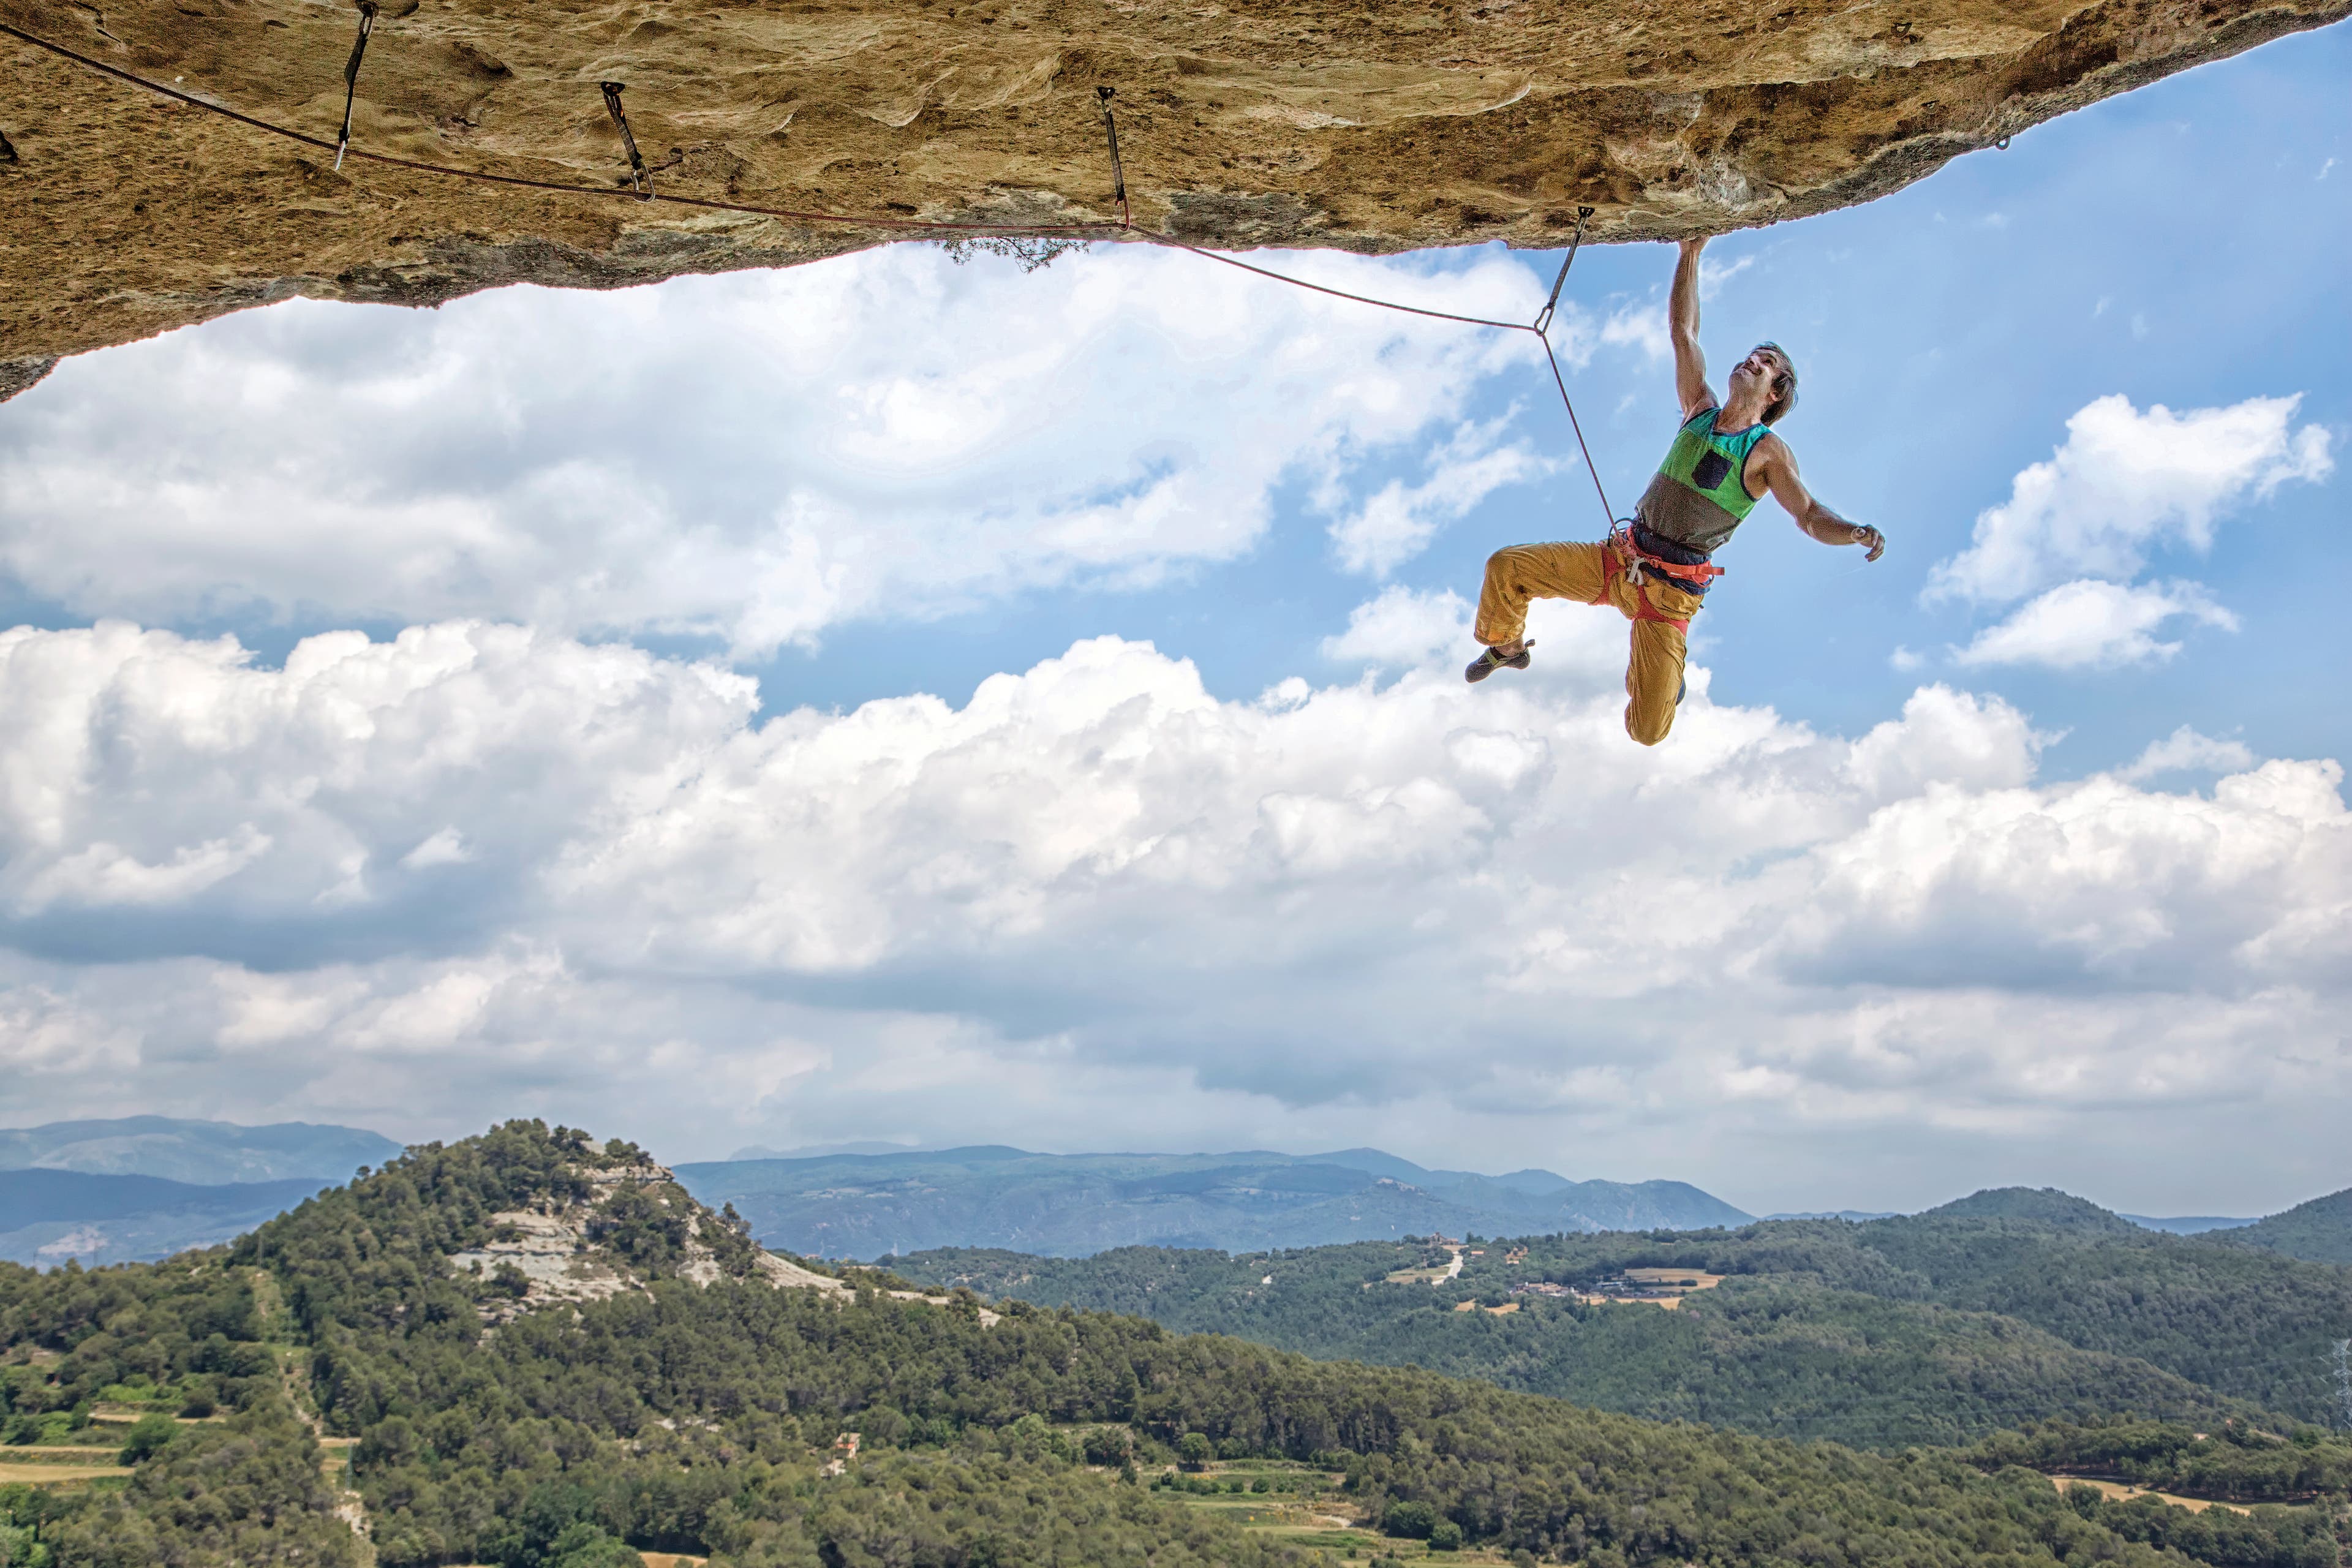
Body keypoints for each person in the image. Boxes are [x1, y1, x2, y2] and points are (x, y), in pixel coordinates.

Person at [1464, 236, 1885, 744]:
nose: (1753, 360)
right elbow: (1683, 333)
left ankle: (1669, 679)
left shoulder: (1767, 451)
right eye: (1753, 354)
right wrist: (1690, 254)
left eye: (1767, 362)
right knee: (1506, 567)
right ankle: (1508, 648)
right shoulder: (1699, 409)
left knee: (1647, 731)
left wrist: (1855, 532)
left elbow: (1810, 514)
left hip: (1669, 595)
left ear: (1775, 393)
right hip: (1619, 559)